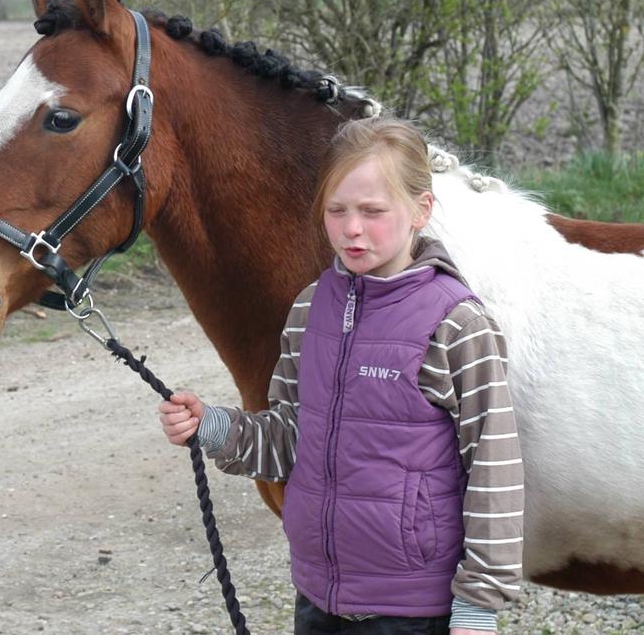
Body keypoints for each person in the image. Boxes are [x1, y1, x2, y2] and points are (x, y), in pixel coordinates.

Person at [159, 117, 522, 634]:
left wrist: (477, 607)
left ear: (421, 210)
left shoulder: (457, 324)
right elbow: (290, 440)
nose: (352, 229)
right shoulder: (310, 310)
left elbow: (496, 470)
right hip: (318, 598)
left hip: (412, 613)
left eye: (374, 212)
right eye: (337, 210)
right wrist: (213, 428)